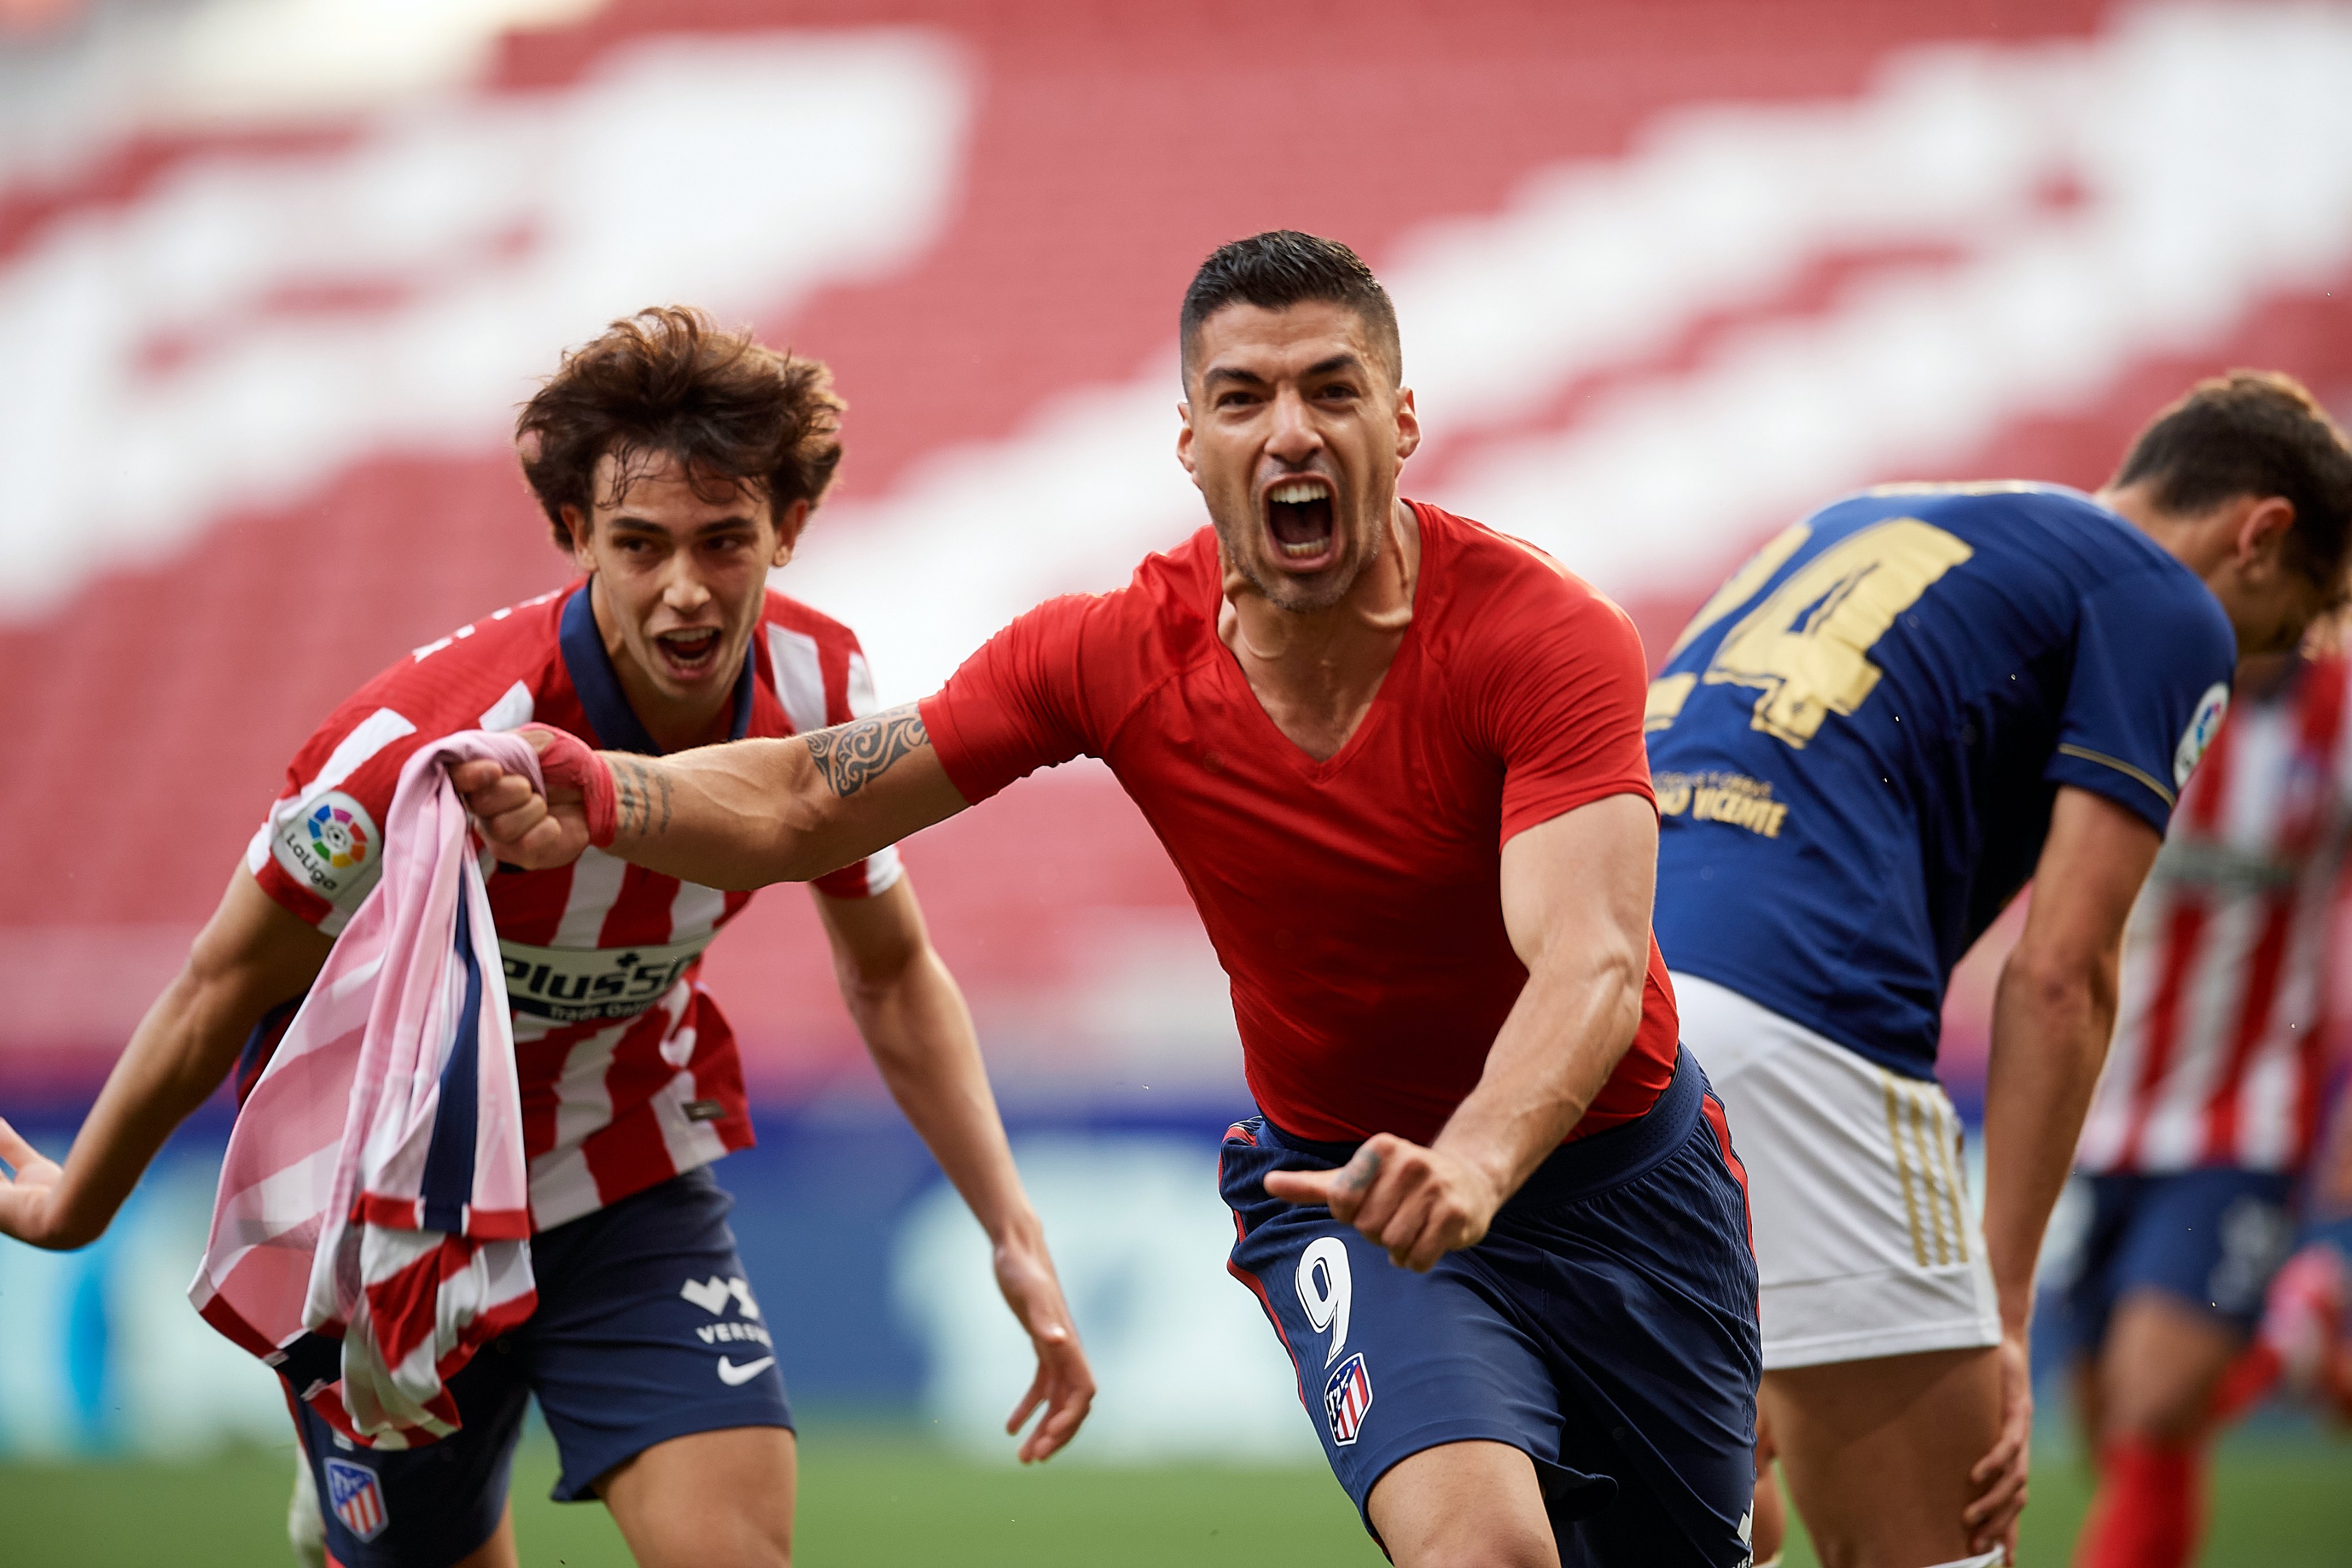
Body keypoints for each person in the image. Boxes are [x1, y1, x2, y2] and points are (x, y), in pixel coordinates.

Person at [455, 231, 1763, 1568]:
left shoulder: (1545, 637)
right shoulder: (1105, 653)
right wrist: (607, 790)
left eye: (1331, 389)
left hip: (1619, 1189)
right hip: (1350, 1194)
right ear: (1189, 442)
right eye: (1244, 399)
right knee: (1482, 1553)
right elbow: (811, 797)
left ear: (1402, 419)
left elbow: (1591, 967)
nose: (1290, 433)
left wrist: (1479, 1160)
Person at [0, 307, 1094, 1568]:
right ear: (575, 535)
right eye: (639, 544)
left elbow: (891, 967)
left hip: (621, 1171)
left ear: (785, 532)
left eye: (724, 541)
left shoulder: (822, 696)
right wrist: (78, 1205)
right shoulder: (412, 746)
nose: (684, 590)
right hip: (391, 1201)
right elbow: (221, 986)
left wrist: (1008, 1223)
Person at [1643, 371, 2352, 1568]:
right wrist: (2001, 1313)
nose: (2273, 655)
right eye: (2291, 622)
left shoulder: (1874, 519)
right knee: (1947, 1541)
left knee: (1710, 1505)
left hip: (1611, 1004)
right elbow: (2060, 976)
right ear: (2259, 533)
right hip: (1803, 1017)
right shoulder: (2163, 602)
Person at [2060, 647, 2352, 1568]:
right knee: (2113, 1427)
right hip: (2099, 1117)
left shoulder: (2336, 720)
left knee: (2154, 1404)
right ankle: (2292, 1339)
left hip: (2243, 1122)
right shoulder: (2134, 689)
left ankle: (2285, 1329)